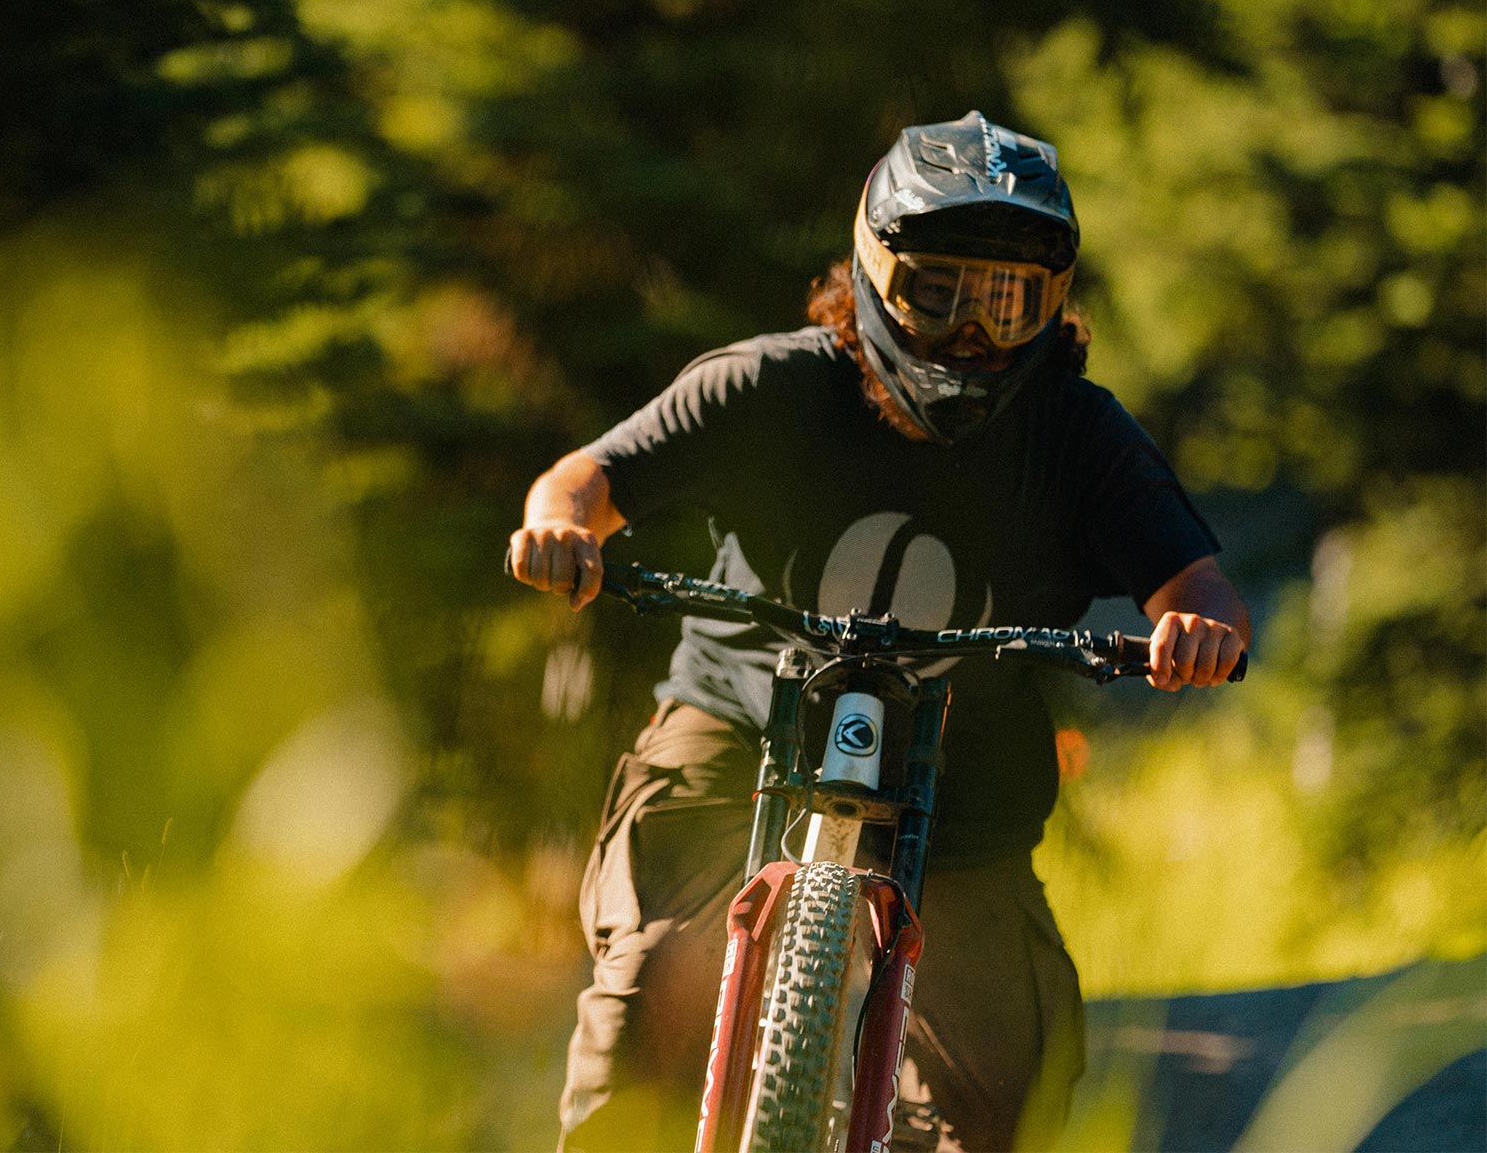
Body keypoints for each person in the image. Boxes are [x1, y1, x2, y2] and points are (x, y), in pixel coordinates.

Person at [508, 111, 1250, 1152]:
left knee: (1004, 1101)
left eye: (1007, 303)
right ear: (869, 275)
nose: (969, 337)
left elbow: (1198, 583)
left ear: (1054, 305)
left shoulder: (1077, 437)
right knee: (644, 999)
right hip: (732, 722)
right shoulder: (768, 386)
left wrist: (1197, 632)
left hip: (968, 783)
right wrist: (559, 532)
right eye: (935, 292)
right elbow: (585, 480)